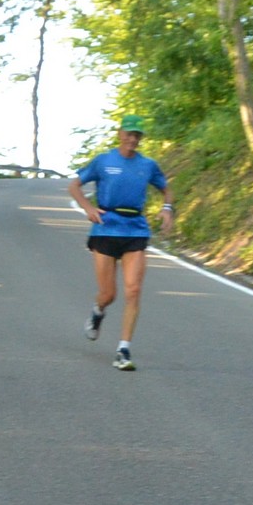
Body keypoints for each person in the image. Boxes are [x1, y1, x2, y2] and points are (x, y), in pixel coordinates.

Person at [68, 114, 172, 371]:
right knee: (109, 294)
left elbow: (166, 189)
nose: (132, 139)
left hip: (135, 229)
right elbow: (75, 186)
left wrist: (167, 208)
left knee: (133, 290)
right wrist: (88, 208)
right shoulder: (104, 161)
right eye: (129, 133)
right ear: (120, 133)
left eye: (137, 135)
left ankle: (123, 350)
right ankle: (98, 311)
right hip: (105, 228)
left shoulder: (147, 165)